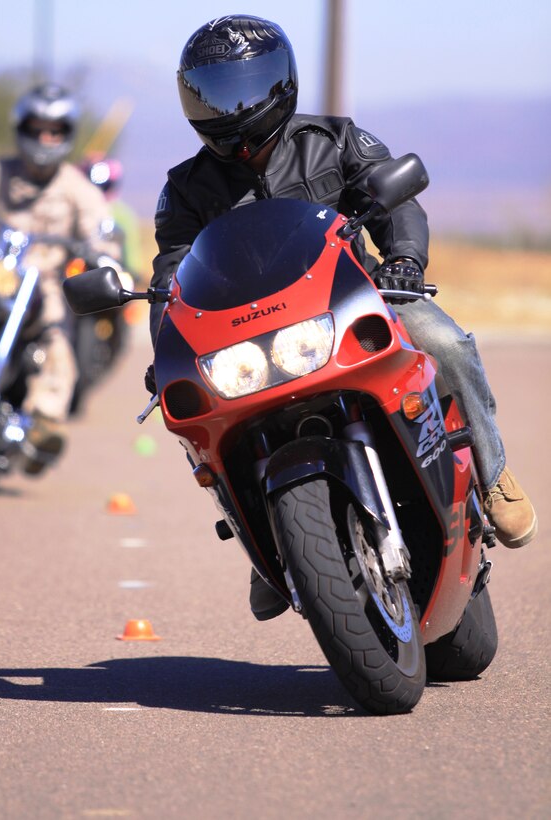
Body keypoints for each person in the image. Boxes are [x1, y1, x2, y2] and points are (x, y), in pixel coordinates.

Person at [147, 15, 538, 620]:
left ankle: (494, 473)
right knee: (203, 428)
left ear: (281, 83)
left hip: (353, 302)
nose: (229, 107)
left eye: (242, 87)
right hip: (249, 337)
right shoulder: (185, 188)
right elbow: (170, 275)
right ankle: (268, 542)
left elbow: (395, 200)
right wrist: (163, 344)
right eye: (212, 92)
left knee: (447, 341)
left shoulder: (336, 140)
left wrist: (404, 259)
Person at [0, 83, 121, 474]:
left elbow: (100, 227)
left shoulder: (76, 187)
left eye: (54, 131)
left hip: (43, 281)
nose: (45, 138)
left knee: (57, 341)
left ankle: (42, 426)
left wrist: (104, 253)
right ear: (22, 128)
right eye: (37, 129)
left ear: (67, 135)